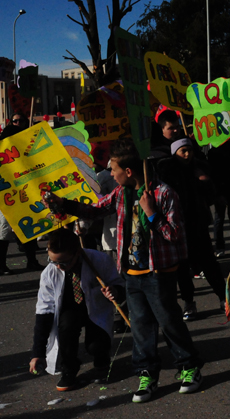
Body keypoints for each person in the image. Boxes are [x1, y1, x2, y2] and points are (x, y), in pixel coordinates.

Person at [44, 138, 204, 403]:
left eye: (114, 169)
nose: (111, 174)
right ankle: (147, 374)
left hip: (159, 272)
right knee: (140, 327)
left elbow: (175, 234)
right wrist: (65, 204)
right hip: (132, 273)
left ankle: (189, 367)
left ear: (128, 172)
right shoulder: (121, 193)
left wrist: (152, 214)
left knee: (169, 322)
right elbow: (95, 210)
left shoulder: (164, 194)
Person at [29, 229, 124, 391]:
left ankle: (101, 358)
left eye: (64, 262)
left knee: (96, 346)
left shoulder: (100, 260)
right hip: (70, 309)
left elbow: (120, 285)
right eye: (53, 261)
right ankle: (69, 369)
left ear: (78, 252)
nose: (59, 267)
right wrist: (38, 353)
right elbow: (44, 313)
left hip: (96, 308)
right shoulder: (49, 273)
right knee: (66, 330)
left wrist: (115, 290)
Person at [159, 137, 227, 320]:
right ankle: (188, 302)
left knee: (209, 263)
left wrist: (205, 182)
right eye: (183, 151)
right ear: (175, 153)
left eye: (189, 150)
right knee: (182, 268)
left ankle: (224, 297)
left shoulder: (199, 168)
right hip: (177, 225)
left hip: (198, 223)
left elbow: (211, 197)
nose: (187, 154)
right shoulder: (167, 171)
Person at [0, 115, 43, 272]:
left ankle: (32, 261)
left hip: (24, 195)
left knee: (28, 228)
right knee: (4, 232)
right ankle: (1, 265)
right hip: (6, 198)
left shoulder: (24, 150)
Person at [208, 140, 230, 258]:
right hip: (222, 189)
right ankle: (221, 246)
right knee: (220, 218)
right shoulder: (214, 153)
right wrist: (218, 193)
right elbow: (214, 174)